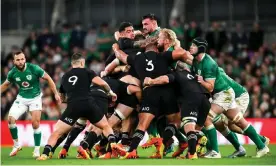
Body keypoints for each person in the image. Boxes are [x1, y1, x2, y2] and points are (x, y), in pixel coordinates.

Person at [111, 37, 192, 159]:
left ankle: (132, 151)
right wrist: (175, 44)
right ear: (156, 47)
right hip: (167, 92)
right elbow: (182, 53)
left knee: (142, 125)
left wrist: (116, 48)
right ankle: (166, 139)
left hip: (149, 92)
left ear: (145, 46)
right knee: (175, 122)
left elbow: (121, 56)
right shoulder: (164, 56)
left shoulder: (138, 58)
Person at [190, 37, 269, 158]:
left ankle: (215, 152)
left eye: (193, 45)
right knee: (238, 121)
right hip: (224, 93)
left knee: (207, 118)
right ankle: (261, 145)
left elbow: (210, 87)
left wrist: (200, 81)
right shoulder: (196, 61)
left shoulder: (209, 64)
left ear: (200, 48)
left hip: (225, 94)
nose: (190, 47)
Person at [36, 53, 118, 160]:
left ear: (72, 64)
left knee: (57, 132)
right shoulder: (87, 71)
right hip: (89, 104)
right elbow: (102, 83)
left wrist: (70, 99)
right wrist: (110, 93)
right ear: (82, 62)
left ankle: (45, 154)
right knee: (105, 126)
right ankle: (113, 143)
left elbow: (62, 98)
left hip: (73, 106)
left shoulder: (65, 76)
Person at [0, 50, 61, 157]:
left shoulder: (34, 68)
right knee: (10, 119)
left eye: (22, 59)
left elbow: (48, 78)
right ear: (14, 61)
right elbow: (5, 85)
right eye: (18, 60)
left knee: (35, 123)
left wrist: (55, 93)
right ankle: (16, 145)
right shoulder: (12, 73)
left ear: (25, 59)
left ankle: (37, 149)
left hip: (35, 98)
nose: (20, 61)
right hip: (22, 98)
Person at [143, 68, 210, 159]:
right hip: (205, 100)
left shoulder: (176, 74)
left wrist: (151, 81)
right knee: (193, 130)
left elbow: (165, 79)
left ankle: (192, 154)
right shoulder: (191, 75)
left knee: (188, 127)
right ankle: (197, 143)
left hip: (190, 99)